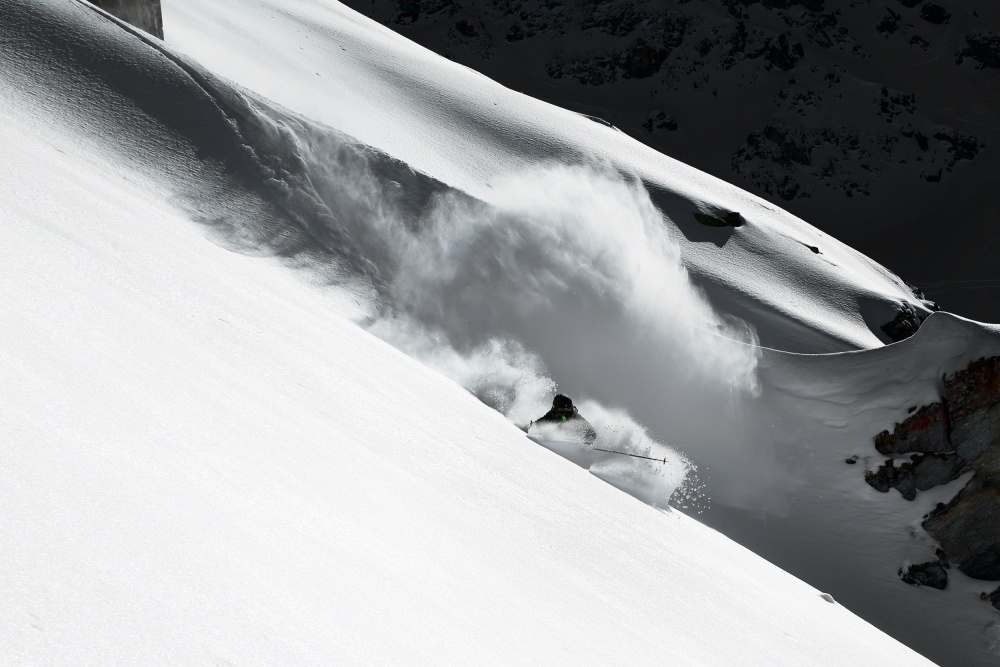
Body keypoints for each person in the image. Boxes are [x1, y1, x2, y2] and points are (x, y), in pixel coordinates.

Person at [532, 394, 597, 445]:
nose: (564, 414)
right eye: (561, 410)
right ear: (555, 409)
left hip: (575, 444)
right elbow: (535, 425)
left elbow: (592, 432)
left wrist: (587, 442)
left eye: (567, 410)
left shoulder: (575, 417)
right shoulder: (550, 416)